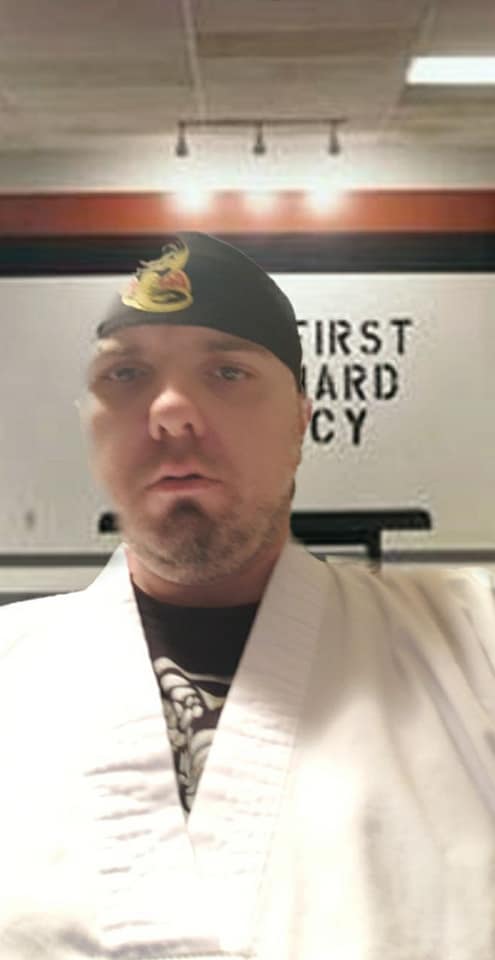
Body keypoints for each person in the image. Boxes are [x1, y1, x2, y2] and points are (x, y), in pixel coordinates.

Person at [1, 231, 495, 960]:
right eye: (126, 373)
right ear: (91, 424)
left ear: (301, 418)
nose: (171, 410)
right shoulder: (11, 667)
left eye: (226, 372)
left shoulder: (469, 645)